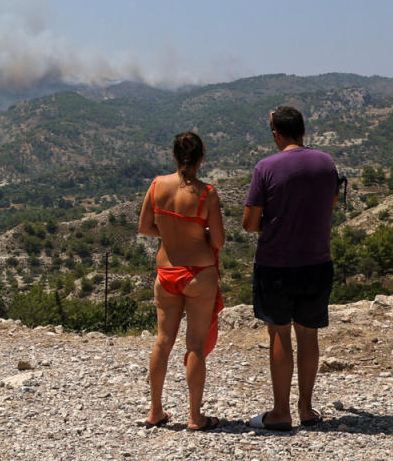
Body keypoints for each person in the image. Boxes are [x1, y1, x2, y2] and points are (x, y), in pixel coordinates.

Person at [242, 106, 338, 431]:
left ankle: (281, 411)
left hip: (276, 265)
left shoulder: (265, 167)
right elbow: (331, 204)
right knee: (308, 334)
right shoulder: (326, 163)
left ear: (276, 134)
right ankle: (307, 408)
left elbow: (249, 222)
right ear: (304, 131)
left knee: (280, 333)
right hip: (317, 261)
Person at [138, 131, 225, 431]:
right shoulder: (207, 193)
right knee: (195, 347)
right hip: (199, 273)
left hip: (166, 271)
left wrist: (170, 233)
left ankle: (155, 411)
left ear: (174, 156)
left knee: (163, 341)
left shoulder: (156, 185)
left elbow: (145, 227)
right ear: (202, 158)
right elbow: (220, 240)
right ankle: (195, 417)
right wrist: (196, 235)